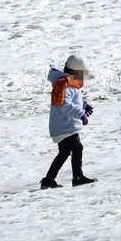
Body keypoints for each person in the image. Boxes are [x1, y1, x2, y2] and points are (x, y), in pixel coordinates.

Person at [41, 54, 97, 189]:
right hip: (65, 127)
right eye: (82, 76)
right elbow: (64, 105)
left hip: (63, 127)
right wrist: (81, 114)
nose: (83, 80)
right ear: (76, 73)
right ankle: (77, 177)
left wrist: (83, 105)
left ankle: (48, 179)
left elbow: (73, 100)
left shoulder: (67, 84)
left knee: (65, 152)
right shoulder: (65, 85)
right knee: (77, 147)